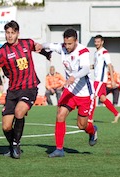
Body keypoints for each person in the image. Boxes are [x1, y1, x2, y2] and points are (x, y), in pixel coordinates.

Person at [0, 20, 43, 159]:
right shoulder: (2, 51)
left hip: (29, 87)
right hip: (13, 91)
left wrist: (44, 51)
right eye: (7, 33)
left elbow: (38, 47)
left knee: (19, 112)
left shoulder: (27, 43)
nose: (9, 36)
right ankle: (13, 145)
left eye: (12, 33)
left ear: (17, 33)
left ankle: (15, 144)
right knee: (6, 126)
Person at [41, 28, 98, 158]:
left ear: (76, 41)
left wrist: (74, 76)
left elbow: (84, 69)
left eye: (70, 44)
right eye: (65, 43)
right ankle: (59, 149)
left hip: (85, 94)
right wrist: (37, 46)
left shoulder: (83, 51)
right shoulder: (62, 47)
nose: (67, 46)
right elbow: (48, 45)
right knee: (60, 115)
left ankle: (92, 130)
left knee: (81, 125)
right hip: (71, 91)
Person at [88, 35, 120, 124]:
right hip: (96, 79)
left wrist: (113, 81)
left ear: (102, 42)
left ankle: (90, 118)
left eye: (98, 42)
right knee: (102, 99)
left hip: (100, 80)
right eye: (95, 42)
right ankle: (116, 113)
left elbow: (109, 65)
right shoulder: (96, 53)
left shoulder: (104, 52)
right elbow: (95, 66)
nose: (96, 43)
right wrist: (86, 68)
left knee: (93, 96)